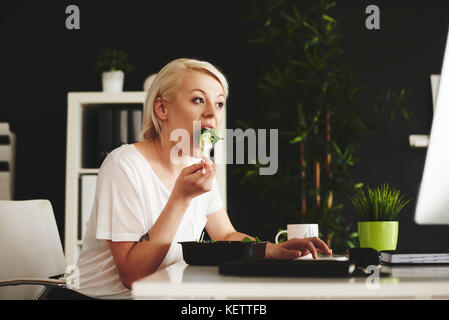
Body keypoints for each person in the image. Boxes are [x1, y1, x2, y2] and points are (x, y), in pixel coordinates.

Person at [75, 58, 332, 299]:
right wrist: (180, 198)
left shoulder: (197, 167)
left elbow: (225, 234)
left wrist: (271, 249)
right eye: (198, 100)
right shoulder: (124, 165)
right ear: (162, 108)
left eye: (219, 103)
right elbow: (133, 276)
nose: (212, 113)